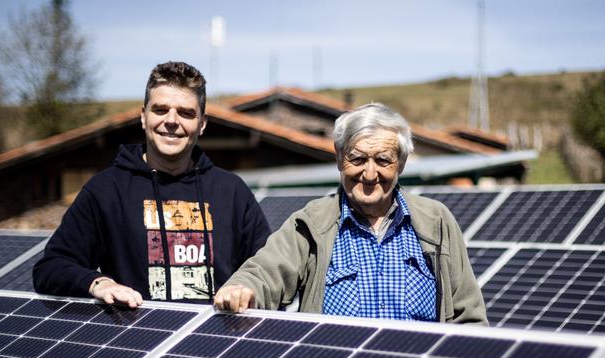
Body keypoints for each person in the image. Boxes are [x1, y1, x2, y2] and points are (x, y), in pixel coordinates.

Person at [214, 103, 487, 325]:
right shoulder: (311, 224)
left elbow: (469, 317)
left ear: (401, 164)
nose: (369, 174)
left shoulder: (435, 222)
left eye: (383, 160)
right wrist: (242, 288)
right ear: (339, 158)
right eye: (357, 159)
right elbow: (265, 271)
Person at [34, 61, 270, 306]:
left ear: (202, 123)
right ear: (143, 117)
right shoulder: (106, 191)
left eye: (186, 113)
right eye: (160, 110)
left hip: (218, 342)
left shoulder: (232, 192)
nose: (171, 121)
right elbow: (51, 267)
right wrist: (99, 283)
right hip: (135, 341)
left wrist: (247, 288)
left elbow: (266, 268)